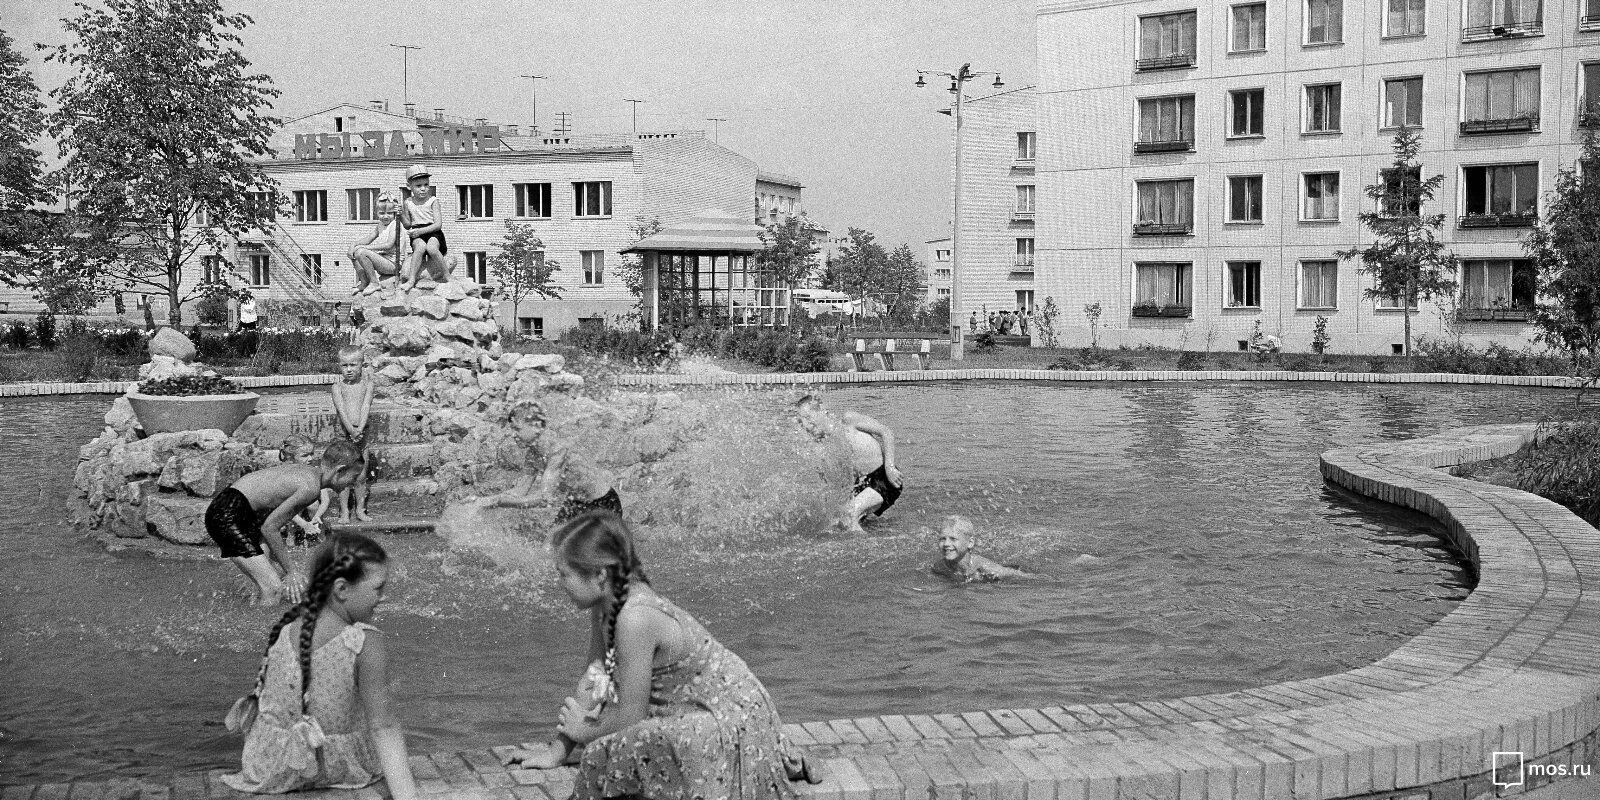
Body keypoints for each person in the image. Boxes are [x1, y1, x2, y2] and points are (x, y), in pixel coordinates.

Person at [500, 511, 819, 795]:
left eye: (564, 574)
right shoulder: (604, 607)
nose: (560, 584)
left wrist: (583, 730)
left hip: (727, 715)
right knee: (607, 748)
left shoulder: (635, 617)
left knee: (615, 747)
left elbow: (630, 717)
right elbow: (596, 679)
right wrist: (558, 750)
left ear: (600, 574)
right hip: (686, 709)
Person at [220, 533, 419, 799]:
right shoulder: (363, 641)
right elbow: (383, 726)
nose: (383, 597)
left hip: (269, 765)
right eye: (378, 588)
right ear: (342, 589)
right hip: (330, 765)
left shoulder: (286, 628)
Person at [206, 441, 364, 605]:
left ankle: (260, 612)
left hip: (242, 512)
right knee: (274, 588)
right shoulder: (311, 487)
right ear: (339, 471)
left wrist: (288, 572)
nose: (352, 484)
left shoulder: (310, 474)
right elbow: (270, 528)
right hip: (226, 515)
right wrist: (291, 571)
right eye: (353, 477)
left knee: (280, 581)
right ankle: (257, 628)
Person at [794, 393, 902, 533]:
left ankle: (870, 551)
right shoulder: (821, 448)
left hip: (884, 477)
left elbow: (886, 432)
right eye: (801, 422)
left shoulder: (848, 420)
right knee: (838, 523)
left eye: (808, 418)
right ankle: (879, 535)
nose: (806, 426)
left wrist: (890, 467)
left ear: (821, 411)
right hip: (861, 486)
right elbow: (834, 484)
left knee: (849, 516)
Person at [483, 448, 620, 523]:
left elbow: (545, 499)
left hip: (603, 504)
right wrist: (483, 501)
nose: (513, 434)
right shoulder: (532, 454)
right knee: (550, 549)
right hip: (576, 503)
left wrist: (500, 502)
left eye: (517, 429)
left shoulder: (557, 454)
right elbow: (519, 491)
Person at [331, 346, 376, 523]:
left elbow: (366, 407)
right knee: (344, 476)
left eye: (353, 365)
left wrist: (360, 429)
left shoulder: (368, 385)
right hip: (344, 434)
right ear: (339, 366)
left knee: (361, 476)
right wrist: (351, 429)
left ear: (362, 365)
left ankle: (360, 509)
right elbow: (341, 410)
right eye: (344, 365)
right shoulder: (337, 387)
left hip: (361, 434)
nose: (349, 369)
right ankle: (344, 512)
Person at [931, 515, 1029, 583]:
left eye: (953, 539)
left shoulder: (985, 568)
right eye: (942, 539)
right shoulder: (939, 567)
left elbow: (1022, 577)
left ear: (970, 543)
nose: (946, 544)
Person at [397, 166, 447, 291]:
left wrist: (420, 231)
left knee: (431, 248)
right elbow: (408, 225)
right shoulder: (408, 202)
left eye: (426, 185)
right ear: (409, 186)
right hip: (416, 232)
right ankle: (411, 280)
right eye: (418, 186)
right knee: (419, 248)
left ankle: (447, 276)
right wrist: (400, 215)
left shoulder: (433, 201)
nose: (423, 189)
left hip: (433, 232)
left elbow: (438, 224)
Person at [348, 190, 406, 295]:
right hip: (383, 260)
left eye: (389, 213)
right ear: (377, 213)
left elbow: (389, 245)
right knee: (354, 252)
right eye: (382, 213)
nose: (386, 216)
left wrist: (364, 248)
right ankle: (364, 281)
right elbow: (369, 238)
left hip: (393, 264)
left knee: (361, 252)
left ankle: (374, 283)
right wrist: (354, 244)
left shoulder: (395, 224)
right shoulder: (380, 225)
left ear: (394, 213)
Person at [280, 436, 334, 544]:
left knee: (313, 504)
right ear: (290, 457)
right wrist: (303, 524)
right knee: (295, 506)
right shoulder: (285, 475)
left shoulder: (315, 472)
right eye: (305, 455)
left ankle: (321, 537)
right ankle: (291, 534)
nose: (310, 458)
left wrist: (317, 516)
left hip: (312, 513)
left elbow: (325, 500)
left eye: (312, 454)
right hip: (290, 514)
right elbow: (283, 507)